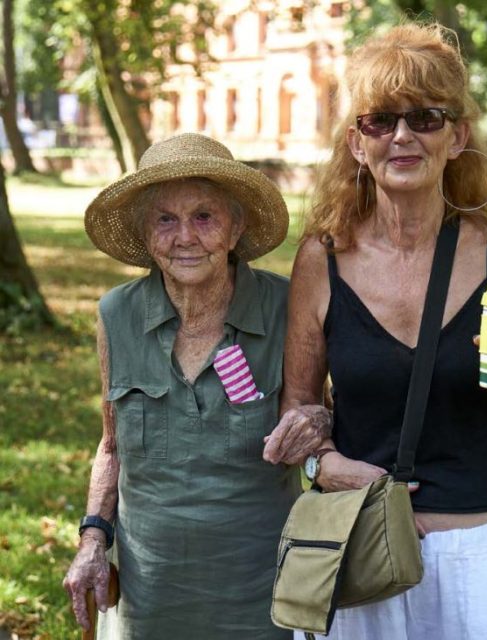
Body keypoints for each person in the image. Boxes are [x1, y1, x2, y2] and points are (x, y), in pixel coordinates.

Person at [263, 22, 487, 640]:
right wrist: (327, 464)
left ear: (458, 138)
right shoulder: (323, 257)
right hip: (358, 547)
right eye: (380, 121)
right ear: (355, 142)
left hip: (479, 555)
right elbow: (298, 401)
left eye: (426, 117)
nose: (402, 136)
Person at [63, 133, 330, 640]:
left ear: (236, 227)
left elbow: (325, 418)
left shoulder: (287, 306)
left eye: (204, 216)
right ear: (146, 235)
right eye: (165, 219)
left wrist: (317, 422)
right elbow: (111, 442)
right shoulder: (115, 314)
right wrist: (93, 539)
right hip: (150, 594)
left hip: (264, 594)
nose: (184, 236)